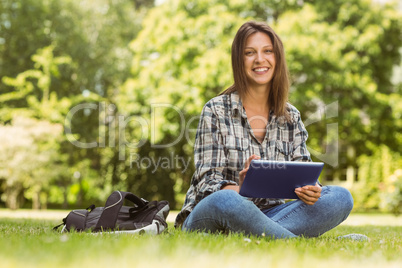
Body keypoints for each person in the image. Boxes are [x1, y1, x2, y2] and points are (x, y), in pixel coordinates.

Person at [174, 21, 354, 239]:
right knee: (227, 200)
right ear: (239, 61)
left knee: (341, 197)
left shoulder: (291, 116)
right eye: (250, 53)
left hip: (270, 215)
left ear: (277, 58)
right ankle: (292, 241)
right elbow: (207, 183)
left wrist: (311, 190)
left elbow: (304, 172)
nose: (260, 59)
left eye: (267, 51)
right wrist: (242, 187)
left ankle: (261, 235)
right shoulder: (216, 110)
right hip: (214, 214)